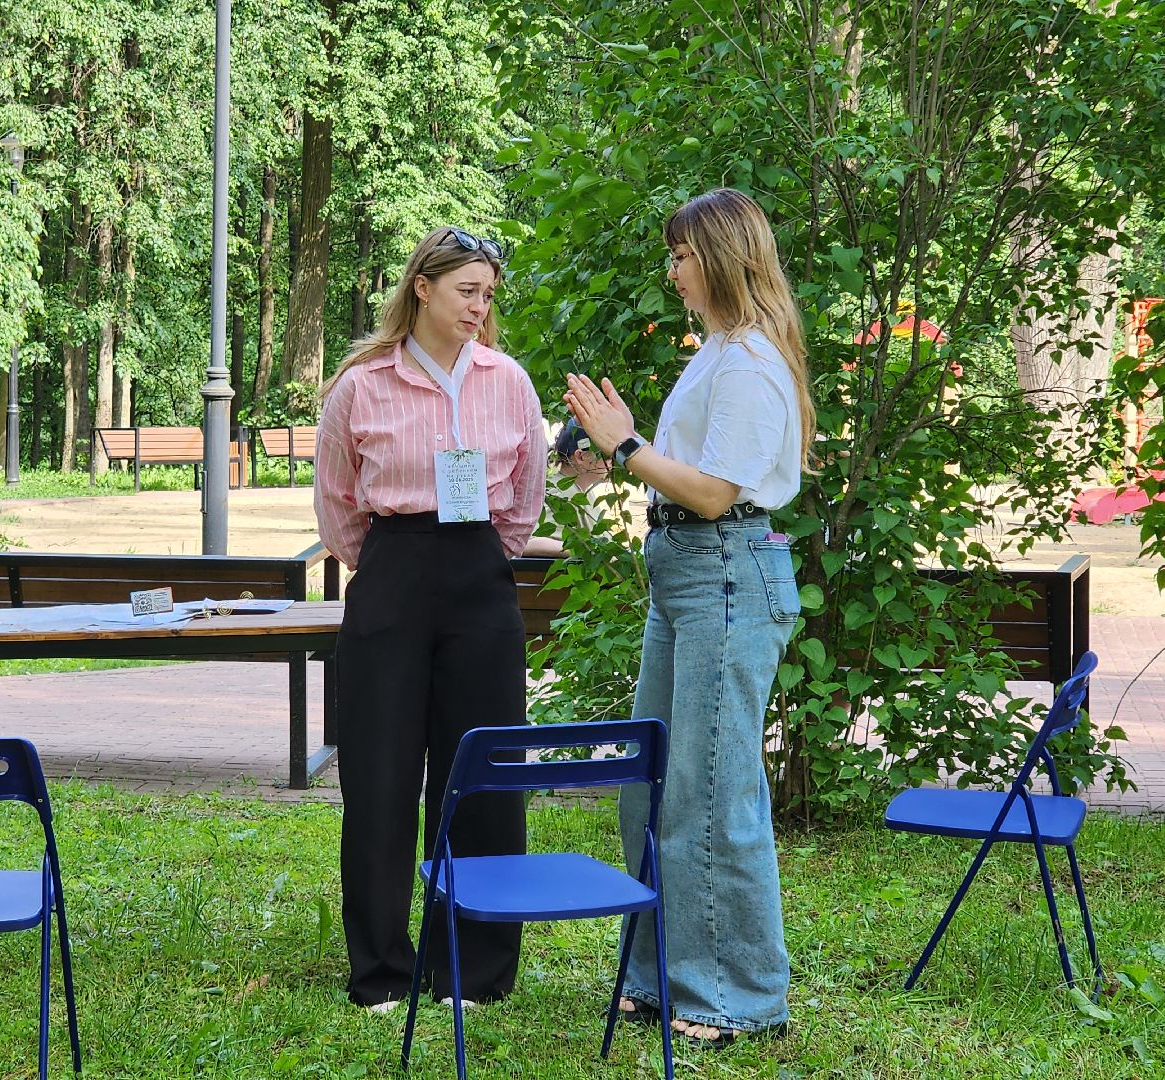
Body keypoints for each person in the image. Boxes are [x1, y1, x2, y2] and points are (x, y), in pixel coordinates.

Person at [563, 188, 815, 1048]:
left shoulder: (747, 361)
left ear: (723, 258)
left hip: (726, 576)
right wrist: (609, 455)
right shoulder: (716, 351)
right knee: (652, 783)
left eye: (682, 256)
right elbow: (687, 472)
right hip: (689, 574)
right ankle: (657, 979)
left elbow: (712, 494)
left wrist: (627, 446)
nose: (672, 272)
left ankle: (735, 999)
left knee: (710, 792)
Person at [313, 226, 547, 1013]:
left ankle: (472, 969)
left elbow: (523, 501)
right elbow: (338, 504)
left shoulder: (508, 381)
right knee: (379, 776)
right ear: (422, 287)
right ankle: (381, 970)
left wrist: (474, 559)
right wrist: (394, 564)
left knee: (482, 775)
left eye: (488, 294)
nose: (480, 307)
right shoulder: (361, 386)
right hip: (392, 577)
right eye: (466, 291)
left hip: (481, 579)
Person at [521, 418, 610, 557]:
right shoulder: (558, 493)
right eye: (606, 453)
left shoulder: (582, 490)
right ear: (581, 456)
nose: (612, 459)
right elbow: (528, 543)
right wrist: (590, 553)